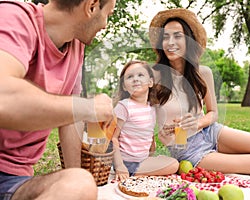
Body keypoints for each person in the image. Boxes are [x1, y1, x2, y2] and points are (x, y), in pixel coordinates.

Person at [148, 8, 250, 176]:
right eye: (165, 37)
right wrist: (156, 135)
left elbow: (213, 113)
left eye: (177, 36)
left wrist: (197, 123)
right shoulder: (153, 76)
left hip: (210, 132)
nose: (170, 42)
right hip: (187, 149)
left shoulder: (203, 73)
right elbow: (140, 116)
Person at [0, 0, 116, 199]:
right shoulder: (13, 16)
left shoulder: (76, 46)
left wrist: (81, 188)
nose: (105, 24)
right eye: (108, 14)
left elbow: (70, 118)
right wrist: (87, 107)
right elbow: (4, 97)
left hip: (13, 179)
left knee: (79, 183)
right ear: (91, 6)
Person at [112, 60, 179, 181]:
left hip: (143, 160)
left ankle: (142, 172)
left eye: (140, 75)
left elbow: (150, 135)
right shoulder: (124, 106)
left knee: (169, 161)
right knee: (174, 164)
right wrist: (119, 165)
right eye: (130, 77)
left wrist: (151, 156)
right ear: (124, 86)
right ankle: (135, 174)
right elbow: (113, 137)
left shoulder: (152, 108)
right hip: (127, 161)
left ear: (150, 82)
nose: (135, 79)